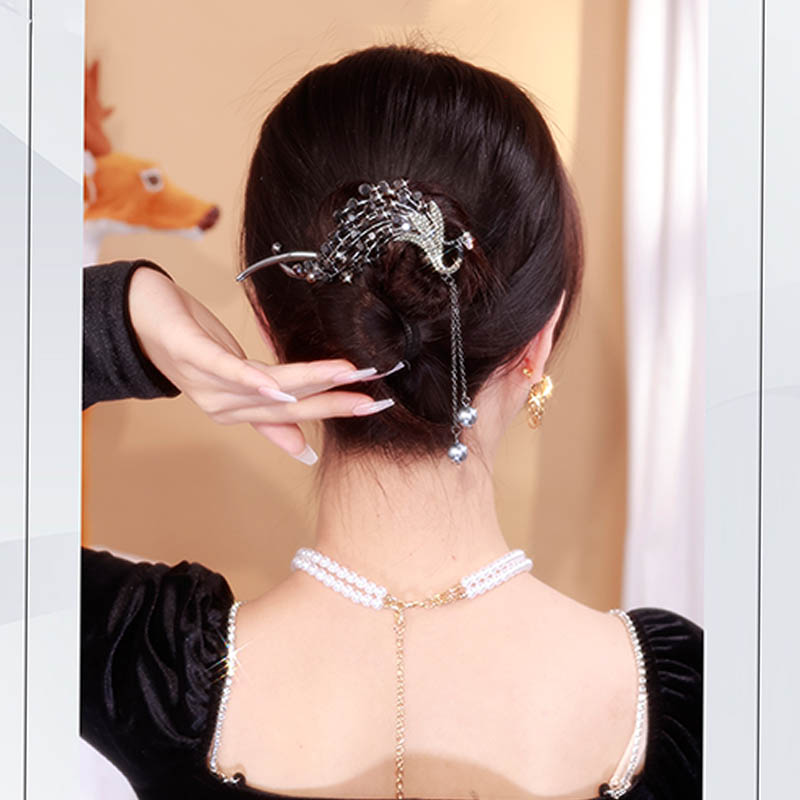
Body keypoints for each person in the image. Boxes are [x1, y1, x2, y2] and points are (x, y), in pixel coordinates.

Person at [80, 45, 702, 800]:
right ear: (537, 343)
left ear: (270, 327)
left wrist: (122, 319)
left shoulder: (149, 670)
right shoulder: (691, 702)